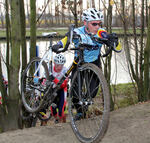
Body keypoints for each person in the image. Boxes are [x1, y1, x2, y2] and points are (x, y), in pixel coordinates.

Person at [52, 8, 122, 120]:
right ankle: (79, 112)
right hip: (79, 63)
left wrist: (115, 41)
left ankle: (84, 107)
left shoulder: (101, 33)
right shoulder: (77, 32)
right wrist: (59, 45)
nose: (97, 27)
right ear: (85, 22)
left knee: (92, 93)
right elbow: (66, 39)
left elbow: (118, 48)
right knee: (75, 92)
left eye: (99, 24)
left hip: (94, 63)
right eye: (94, 24)